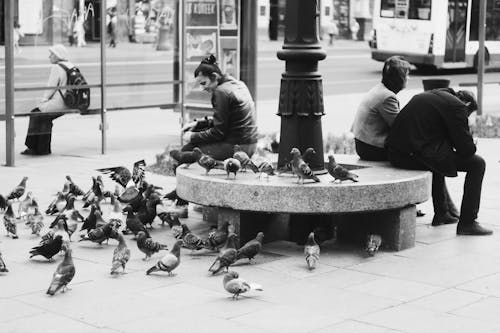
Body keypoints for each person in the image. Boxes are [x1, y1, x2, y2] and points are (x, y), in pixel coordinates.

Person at [386, 88, 492, 236]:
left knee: (438, 155)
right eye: (468, 114)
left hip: (396, 153)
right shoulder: (457, 106)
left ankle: (442, 213)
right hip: (412, 154)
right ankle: (468, 222)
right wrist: (470, 141)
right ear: (467, 104)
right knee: (477, 164)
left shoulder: (434, 95)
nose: (465, 117)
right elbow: (466, 150)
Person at [181, 54, 258, 159]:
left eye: (203, 83)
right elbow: (229, 120)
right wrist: (200, 123)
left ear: (215, 77)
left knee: (186, 151)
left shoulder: (220, 92)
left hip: (237, 147)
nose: (202, 88)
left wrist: (192, 136)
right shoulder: (239, 84)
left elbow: (218, 133)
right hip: (250, 144)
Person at [351, 56, 411, 161]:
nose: (408, 78)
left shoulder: (379, 89)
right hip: (371, 148)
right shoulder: (387, 97)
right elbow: (399, 127)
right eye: (406, 75)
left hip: (363, 144)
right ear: (400, 78)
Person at [22, 44, 74, 156]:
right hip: (70, 102)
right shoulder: (70, 65)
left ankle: (33, 147)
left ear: (58, 56)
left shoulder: (57, 67)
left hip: (61, 103)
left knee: (35, 113)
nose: (49, 56)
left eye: (52, 54)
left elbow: (51, 88)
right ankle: (43, 149)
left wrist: (43, 101)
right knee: (44, 118)